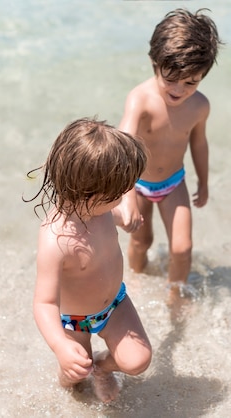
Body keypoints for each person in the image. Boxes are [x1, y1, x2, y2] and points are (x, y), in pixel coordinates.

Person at [25, 118, 152, 403]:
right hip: (73, 321)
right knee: (73, 375)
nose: (123, 198)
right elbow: (44, 303)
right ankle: (72, 383)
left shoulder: (101, 210)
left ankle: (103, 368)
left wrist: (128, 220)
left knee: (138, 361)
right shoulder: (55, 240)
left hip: (115, 305)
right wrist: (60, 346)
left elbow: (116, 216)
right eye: (118, 194)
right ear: (89, 194)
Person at [117, 8, 223, 298]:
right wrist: (126, 200)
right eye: (172, 79)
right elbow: (124, 148)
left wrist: (203, 181)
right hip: (137, 185)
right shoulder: (140, 100)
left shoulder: (200, 106)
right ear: (155, 62)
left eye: (192, 82)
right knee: (142, 241)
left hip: (174, 183)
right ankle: (135, 284)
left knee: (182, 247)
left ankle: (176, 297)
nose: (180, 89)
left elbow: (199, 143)